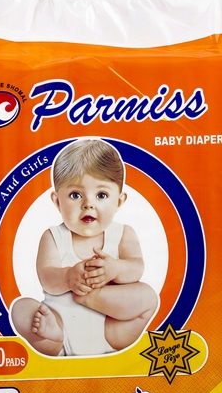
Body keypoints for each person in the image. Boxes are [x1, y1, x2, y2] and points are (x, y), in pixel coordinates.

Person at [11, 139, 158, 356]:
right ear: (57, 202)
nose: (88, 204)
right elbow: (46, 277)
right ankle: (51, 336)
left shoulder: (123, 234)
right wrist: (67, 277)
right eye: (75, 195)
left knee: (148, 296)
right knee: (20, 308)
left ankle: (92, 298)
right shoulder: (53, 237)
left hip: (112, 330)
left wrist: (116, 269)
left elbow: (137, 269)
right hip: (60, 326)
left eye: (101, 195)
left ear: (119, 201)